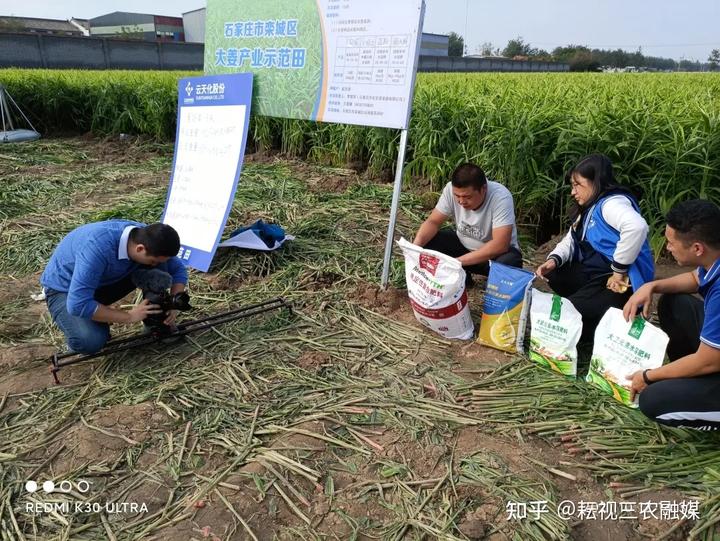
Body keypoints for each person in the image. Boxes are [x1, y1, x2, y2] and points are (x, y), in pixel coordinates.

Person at [535, 154, 654, 372]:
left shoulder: (612, 204)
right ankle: (591, 317)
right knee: (556, 272)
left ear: (596, 182)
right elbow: (572, 238)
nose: (573, 192)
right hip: (596, 272)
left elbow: (636, 227)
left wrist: (619, 271)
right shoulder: (591, 207)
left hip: (619, 283)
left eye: (577, 185)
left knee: (569, 312)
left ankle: (595, 317)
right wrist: (553, 259)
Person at [623, 199, 720, 430]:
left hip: (713, 359)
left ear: (697, 248)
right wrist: (652, 287)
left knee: (653, 401)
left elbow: (709, 360)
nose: (667, 248)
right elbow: (696, 279)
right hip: (713, 356)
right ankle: (693, 382)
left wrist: (648, 376)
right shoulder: (713, 260)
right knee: (673, 303)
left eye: (670, 242)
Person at [40, 220, 188, 354]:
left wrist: (173, 303)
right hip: (65, 290)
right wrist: (129, 316)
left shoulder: (147, 237)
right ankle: (80, 332)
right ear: (140, 249)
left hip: (103, 281)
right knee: (90, 340)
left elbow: (178, 269)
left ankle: (155, 323)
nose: (154, 263)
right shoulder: (97, 248)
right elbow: (77, 304)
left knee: (159, 270)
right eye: (153, 260)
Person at [413, 163, 522, 282]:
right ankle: (461, 278)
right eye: (457, 196)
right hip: (463, 248)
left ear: (483, 189)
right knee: (430, 241)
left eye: (467, 197)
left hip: (492, 258)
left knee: (510, 262)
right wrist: (414, 248)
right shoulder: (450, 189)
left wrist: (457, 262)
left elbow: (500, 244)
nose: (461, 201)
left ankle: (492, 283)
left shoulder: (500, 197)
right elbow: (433, 222)